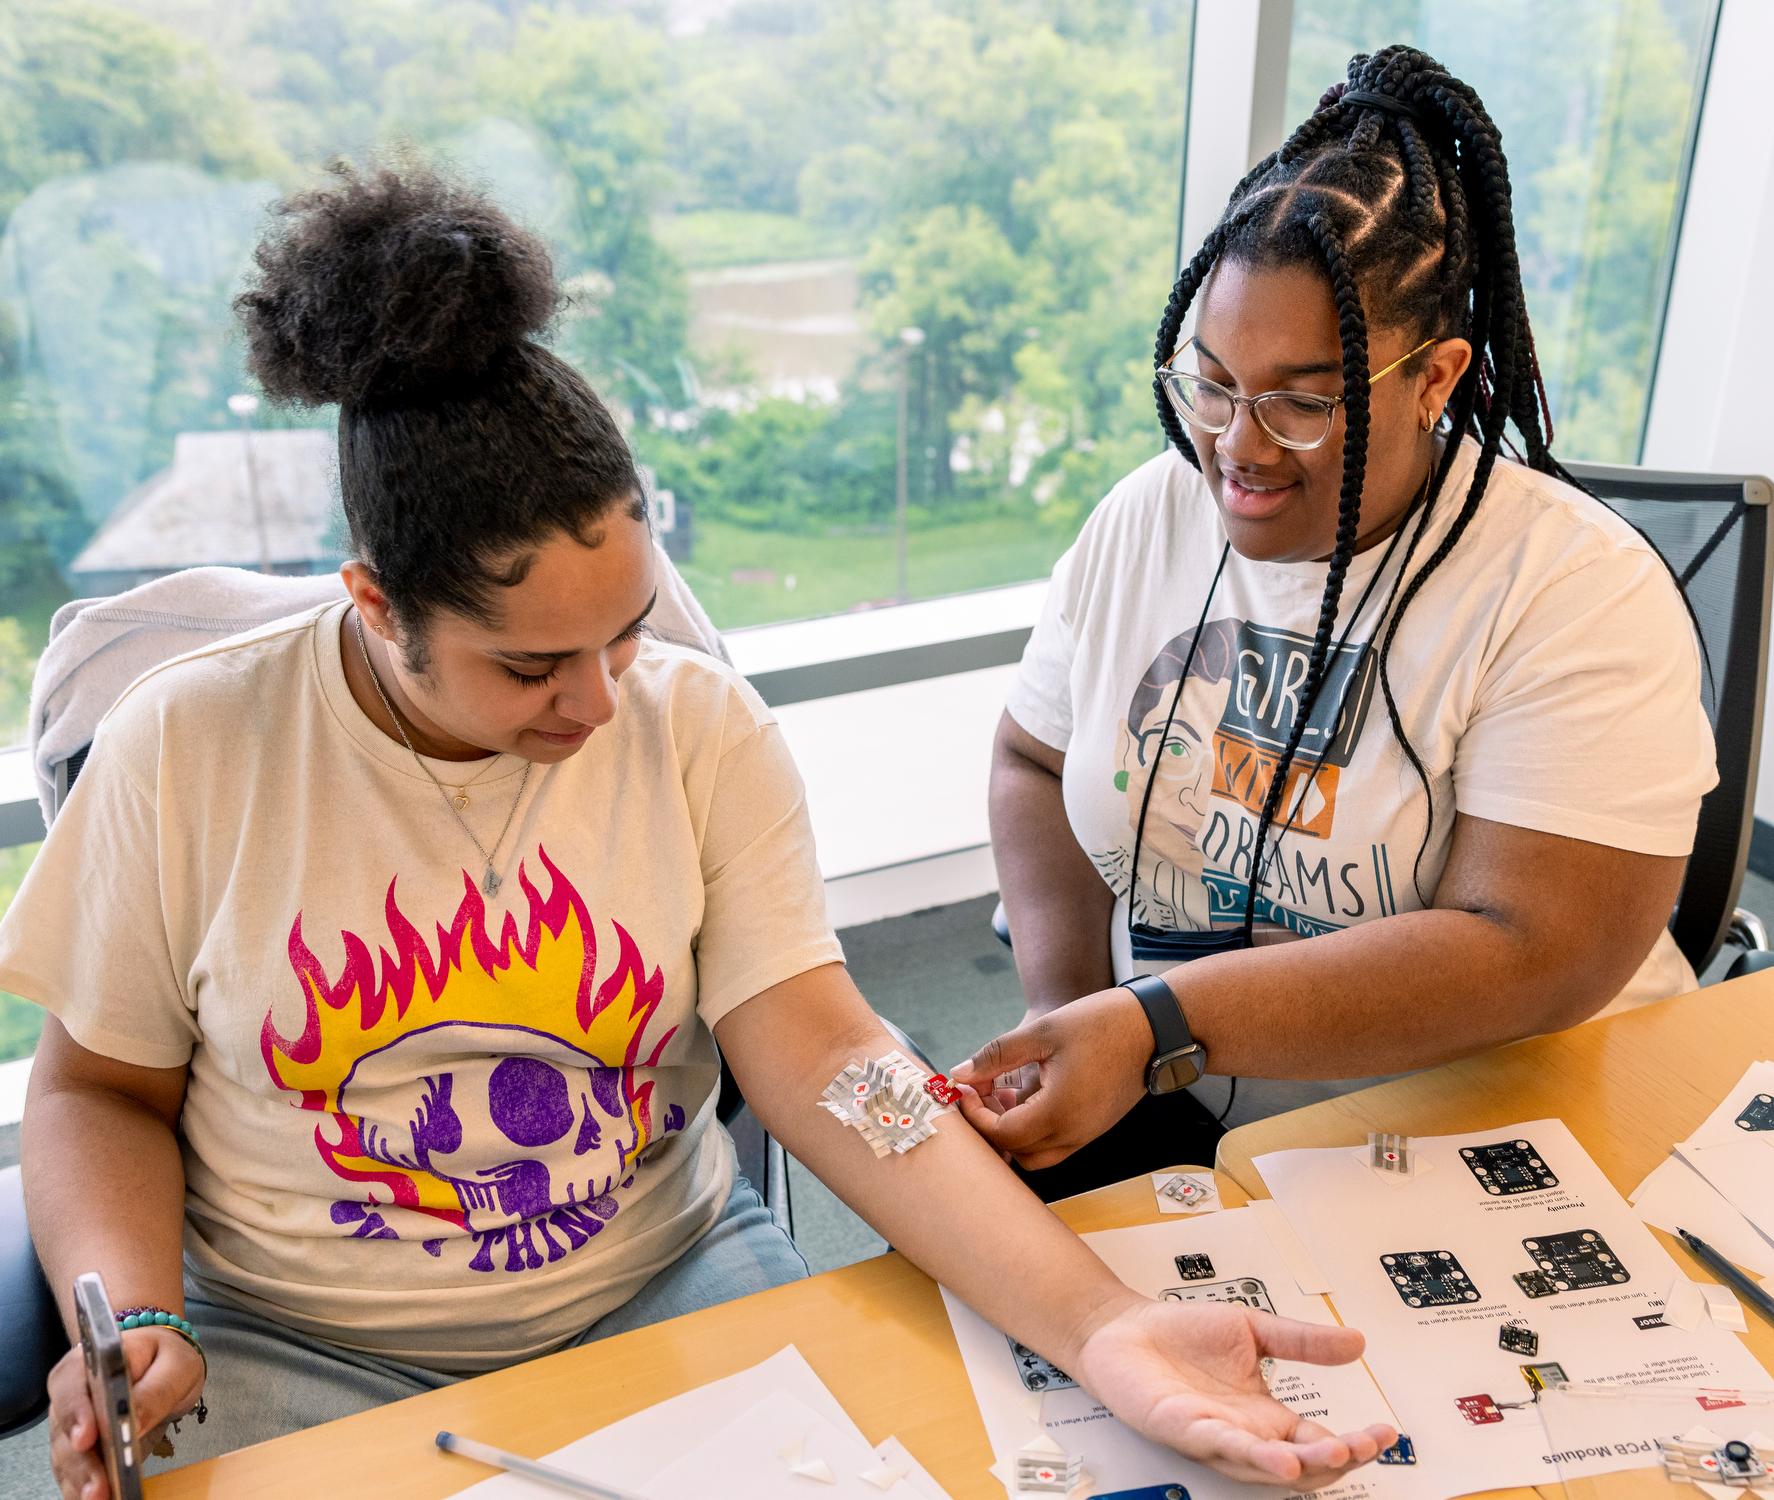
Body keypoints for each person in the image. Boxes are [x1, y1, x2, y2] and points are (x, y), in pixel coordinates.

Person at [1, 163, 1397, 1500]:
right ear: (375, 604)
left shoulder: (698, 728)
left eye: (622, 634)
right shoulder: (188, 749)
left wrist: (1102, 1327)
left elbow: (834, 1059)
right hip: (291, 1344)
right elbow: (92, 1092)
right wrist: (125, 1311)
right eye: (533, 668)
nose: (599, 703)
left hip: (656, 1287)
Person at [953, 47, 1715, 1196]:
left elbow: (1532, 953)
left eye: (1303, 402)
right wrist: (1071, 1010)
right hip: (1177, 1111)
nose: (1238, 448)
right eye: (1209, 385)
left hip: (1490, 1144)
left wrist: (1153, 1023)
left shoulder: (1572, 588)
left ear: (1435, 376)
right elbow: (1029, 755)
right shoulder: (1147, 515)